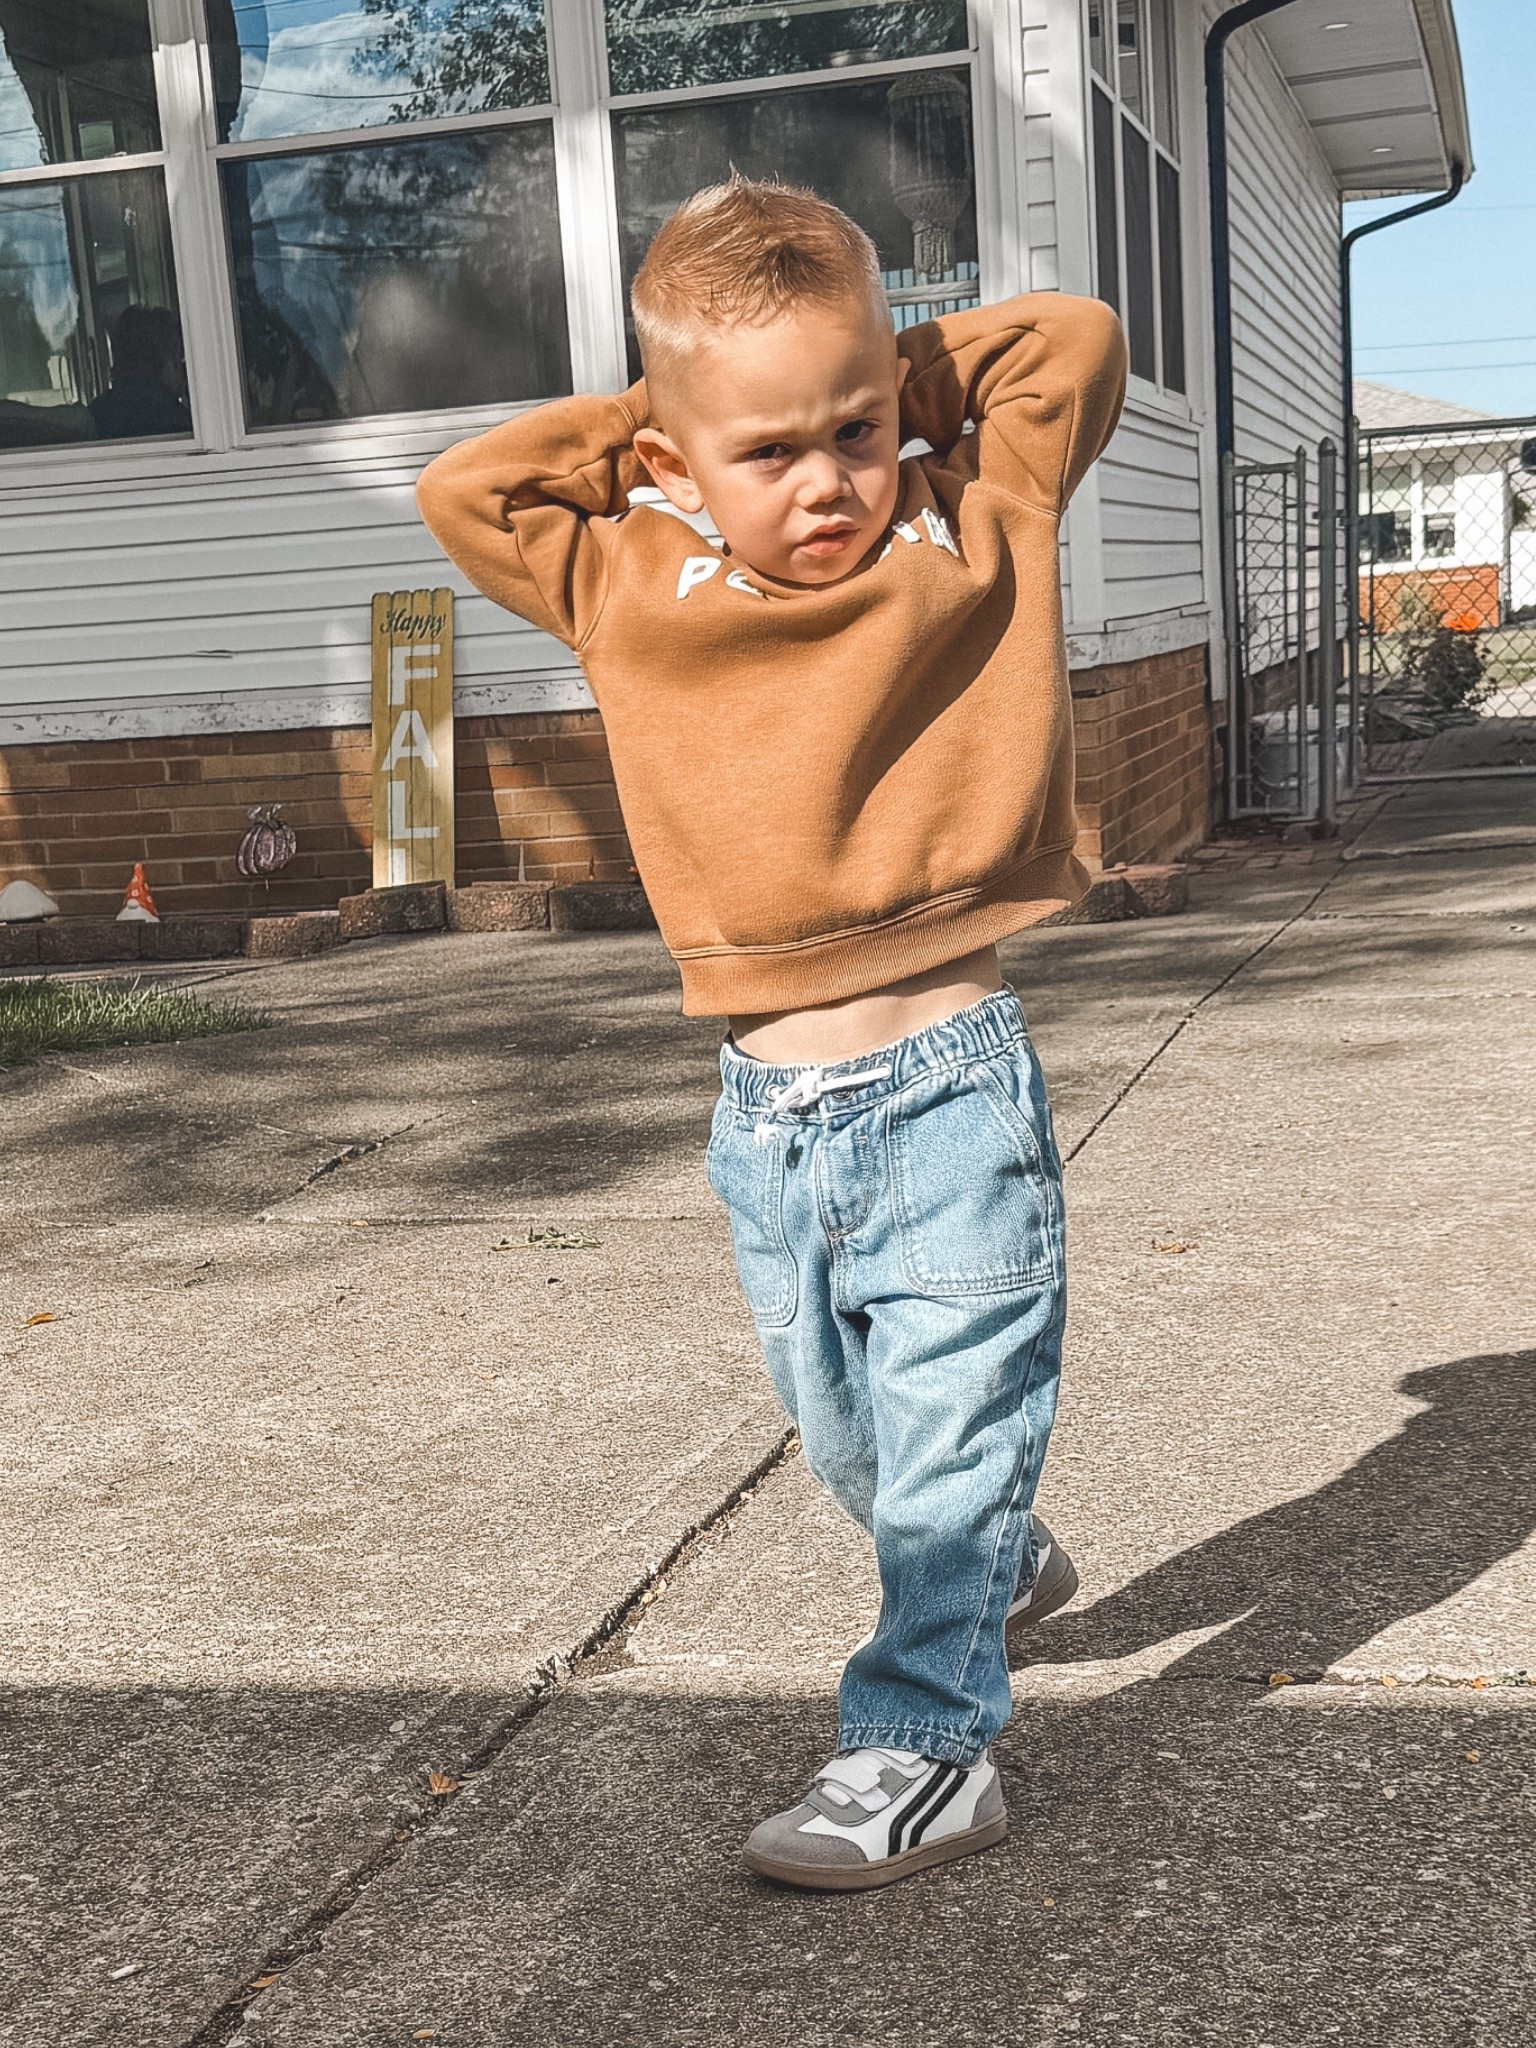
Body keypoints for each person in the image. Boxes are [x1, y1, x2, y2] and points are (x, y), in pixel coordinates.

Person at [417, 178, 1126, 1891]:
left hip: (951, 1092)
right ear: (670, 458)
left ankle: (927, 1744)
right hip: (769, 1116)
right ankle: (988, 1554)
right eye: (772, 451)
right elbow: (469, 488)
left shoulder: (974, 515)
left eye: (856, 428)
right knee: (851, 1442)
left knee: (946, 1436)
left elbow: (1075, 342)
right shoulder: (624, 570)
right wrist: (662, 430)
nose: (826, 480)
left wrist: (900, 389)